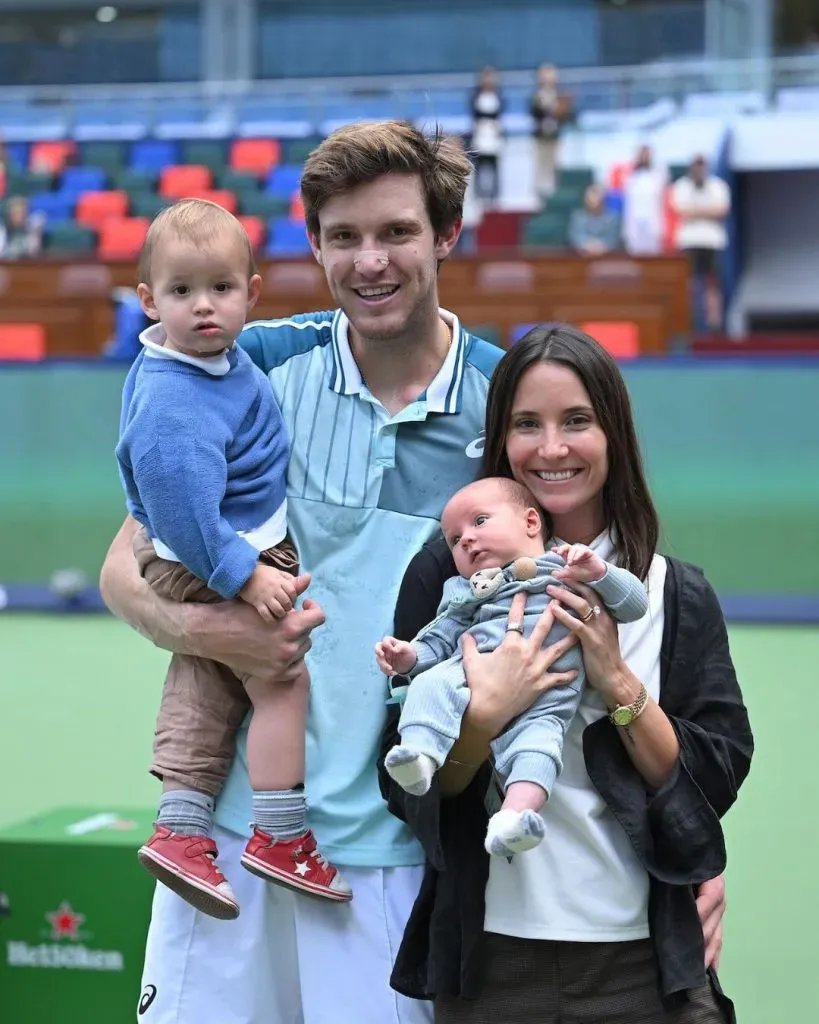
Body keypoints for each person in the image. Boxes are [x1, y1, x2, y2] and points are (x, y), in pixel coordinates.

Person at [99, 119, 502, 1024]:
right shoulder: (251, 366)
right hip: (232, 842)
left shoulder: (503, 397)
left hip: (392, 856)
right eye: (344, 237)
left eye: (396, 232)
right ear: (312, 244)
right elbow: (122, 569)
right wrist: (220, 635)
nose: (370, 261)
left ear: (444, 235)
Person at [380, 323, 752, 1023]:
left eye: (575, 421)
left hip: (645, 964)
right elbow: (405, 789)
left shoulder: (674, 591)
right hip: (490, 964)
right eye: (526, 425)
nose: (550, 449)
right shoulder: (448, 574)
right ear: (500, 440)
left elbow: (713, 780)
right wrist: (486, 716)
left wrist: (617, 685)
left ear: (612, 432)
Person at [116, 198, 350, 919]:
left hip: (230, 541)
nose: (204, 308)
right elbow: (180, 511)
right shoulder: (171, 396)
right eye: (181, 293)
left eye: (220, 289)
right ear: (150, 301)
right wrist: (245, 575)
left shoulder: (225, 359)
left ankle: (183, 828)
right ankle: (277, 832)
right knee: (276, 673)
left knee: (209, 672)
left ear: (251, 294)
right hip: (215, 550)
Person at [378, 475, 647, 858]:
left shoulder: (567, 566)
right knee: (430, 685)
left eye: (480, 521)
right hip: (471, 673)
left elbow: (634, 605)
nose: (466, 538)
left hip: (552, 695)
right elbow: (439, 638)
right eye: (454, 539)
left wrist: (600, 573)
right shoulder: (467, 589)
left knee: (539, 746)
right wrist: (410, 657)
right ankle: (420, 754)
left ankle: (515, 818)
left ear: (531, 523)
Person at [670, 155, 731, 331]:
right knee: (689, 283)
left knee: (713, 284)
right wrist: (707, 210)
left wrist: (695, 211)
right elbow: (681, 210)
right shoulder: (681, 186)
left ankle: (714, 325)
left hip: (713, 242)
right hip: (689, 241)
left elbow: (721, 210)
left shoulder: (718, 185)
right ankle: (690, 322)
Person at [529, 64, 567, 203]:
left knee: (554, 166)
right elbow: (533, 113)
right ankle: (540, 196)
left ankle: (555, 194)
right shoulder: (536, 95)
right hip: (541, 137)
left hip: (554, 136)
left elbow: (566, 114)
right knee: (541, 167)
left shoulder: (559, 95)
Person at [622, 144, 668, 256]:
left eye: (646, 154)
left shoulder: (659, 175)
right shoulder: (630, 177)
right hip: (634, 227)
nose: (644, 157)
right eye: (641, 154)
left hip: (653, 226)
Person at [469, 67, 504, 204]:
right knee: (479, 165)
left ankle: (494, 195)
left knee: (494, 166)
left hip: (494, 135)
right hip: (480, 134)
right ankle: (478, 194)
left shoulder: (499, 96)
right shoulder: (476, 96)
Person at [568, 183, 622, 255]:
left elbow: (613, 239)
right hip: (581, 256)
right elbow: (575, 237)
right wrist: (587, 245)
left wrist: (600, 246)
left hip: (606, 257)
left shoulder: (612, 218)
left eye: (597, 197)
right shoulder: (578, 217)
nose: (594, 201)